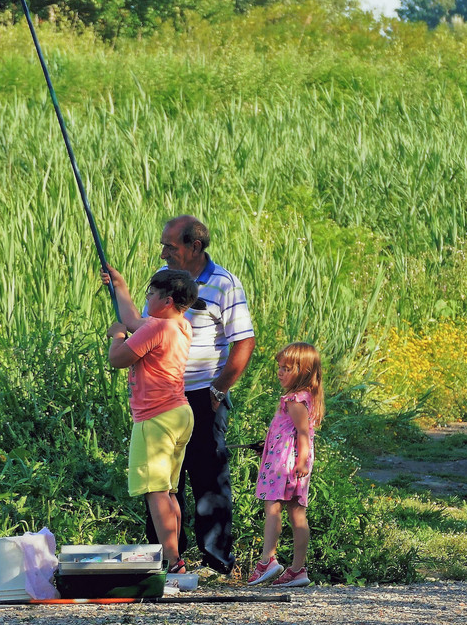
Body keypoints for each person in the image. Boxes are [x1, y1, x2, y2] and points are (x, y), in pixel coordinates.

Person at [157, 216, 254, 576]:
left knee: (208, 476)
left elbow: (243, 342)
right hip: (162, 396)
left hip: (202, 395)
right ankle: (168, 560)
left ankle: (216, 562)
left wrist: (218, 389)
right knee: (163, 479)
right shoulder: (163, 278)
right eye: (164, 245)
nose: (164, 252)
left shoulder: (224, 284)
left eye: (171, 245)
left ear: (194, 246)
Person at [101, 265, 200, 573]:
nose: (147, 299)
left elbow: (118, 358)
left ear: (167, 300)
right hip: (180, 414)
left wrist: (117, 335)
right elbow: (134, 319)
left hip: (155, 417)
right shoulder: (180, 326)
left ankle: (173, 563)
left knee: (156, 491)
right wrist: (120, 287)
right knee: (169, 491)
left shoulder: (157, 329)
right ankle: (177, 560)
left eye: (151, 294)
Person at [247, 342, 323, 589]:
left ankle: (267, 560)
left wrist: (299, 461)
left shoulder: (294, 399)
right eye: (280, 367)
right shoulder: (305, 397)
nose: (280, 372)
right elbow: (291, 432)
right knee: (296, 512)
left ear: (303, 371)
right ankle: (298, 569)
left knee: (273, 507)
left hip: (287, 463)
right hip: (291, 459)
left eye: (287, 368)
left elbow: (302, 432)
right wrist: (268, 446)